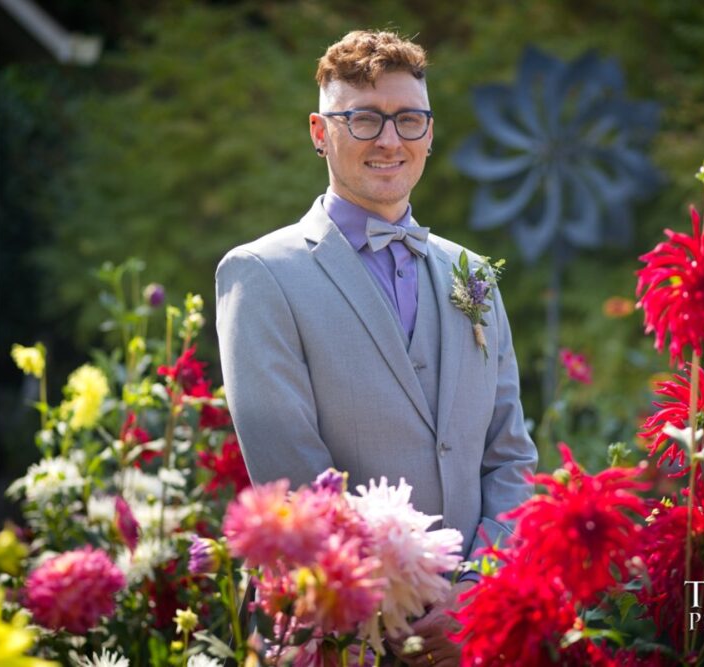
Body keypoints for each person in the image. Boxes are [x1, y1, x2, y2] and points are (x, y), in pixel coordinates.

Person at [215, 29, 537, 666]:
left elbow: (510, 457)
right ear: (319, 132)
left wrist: (478, 589)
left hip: (471, 635)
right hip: (338, 633)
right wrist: (399, 606)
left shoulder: (472, 274)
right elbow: (293, 480)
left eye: (409, 120)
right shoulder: (261, 274)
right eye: (363, 119)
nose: (390, 140)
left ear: (429, 133)